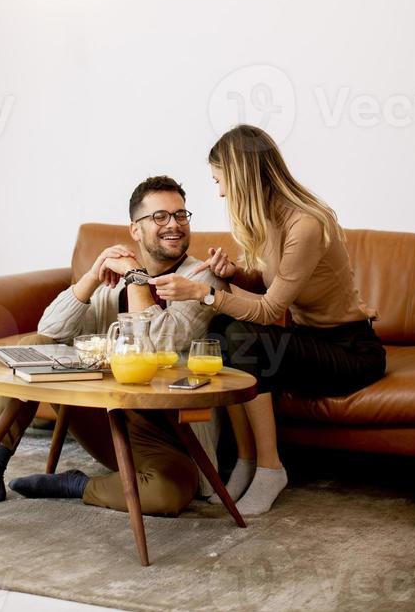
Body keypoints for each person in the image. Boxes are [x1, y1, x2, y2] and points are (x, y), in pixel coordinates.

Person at [0, 175, 224, 517]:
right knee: (35, 346)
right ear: (135, 230)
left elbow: (154, 343)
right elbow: (49, 330)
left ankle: (75, 485)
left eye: (181, 215)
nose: (174, 225)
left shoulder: (200, 279)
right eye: (160, 217)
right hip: (107, 415)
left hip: (167, 433)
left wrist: (136, 278)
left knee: (167, 496)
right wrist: (92, 276)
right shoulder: (111, 283)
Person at [151, 125, 386, 516]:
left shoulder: (306, 224)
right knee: (225, 332)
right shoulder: (268, 219)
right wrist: (234, 273)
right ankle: (245, 459)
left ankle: (270, 468)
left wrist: (205, 293)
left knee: (246, 334)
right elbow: (266, 284)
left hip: (349, 351)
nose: (220, 192)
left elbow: (270, 309)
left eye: (220, 180)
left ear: (241, 175)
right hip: (305, 343)